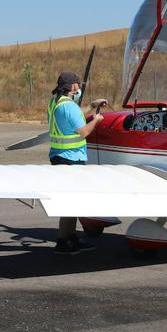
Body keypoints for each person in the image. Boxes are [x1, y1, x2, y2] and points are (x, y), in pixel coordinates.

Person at [48, 71, 108, 254]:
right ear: (72, 87)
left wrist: (91, 106)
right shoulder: (69, 106)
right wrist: (96, 120)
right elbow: (83, 132)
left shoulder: (57, 102)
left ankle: (69, 237)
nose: (80, 87)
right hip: (71, 157)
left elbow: (73, 115)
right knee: (70, 202)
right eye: (78, 84)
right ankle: (64, 242)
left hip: (60, 155)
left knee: (70, 200)